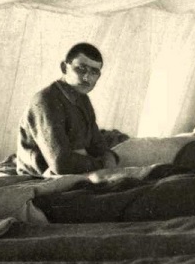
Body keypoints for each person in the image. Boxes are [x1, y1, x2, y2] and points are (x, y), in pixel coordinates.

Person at [16, 42, 119, 175]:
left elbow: (99, 146)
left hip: (75, 173)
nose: (87, 78)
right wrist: (102, 163)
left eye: (94, 72)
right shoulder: (46, 100)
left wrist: (108, 157)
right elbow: (61, 164)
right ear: (64, 67)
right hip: (41, 178)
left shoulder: (83, 99)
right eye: (81, 69)